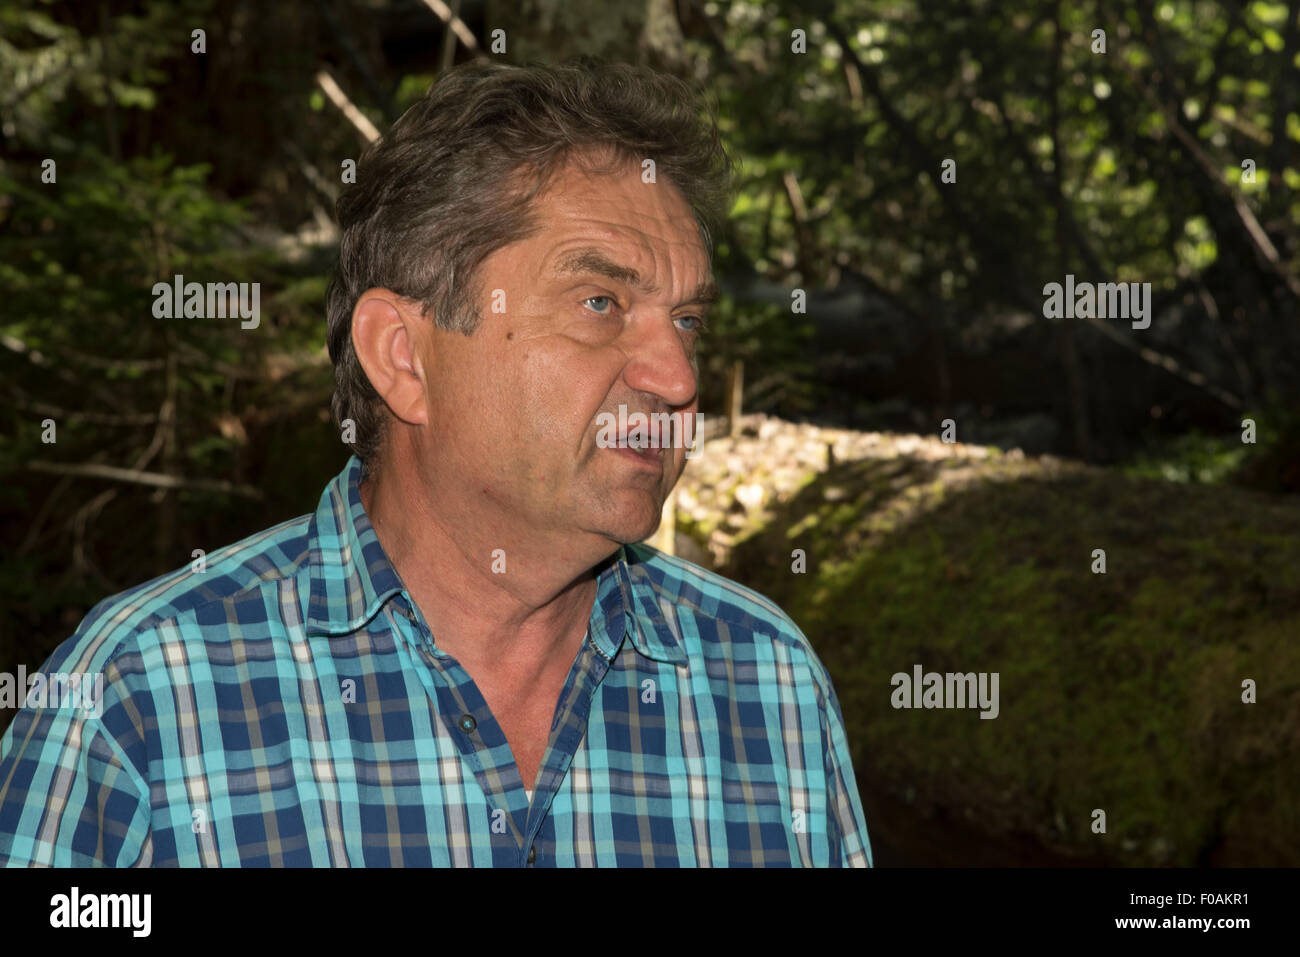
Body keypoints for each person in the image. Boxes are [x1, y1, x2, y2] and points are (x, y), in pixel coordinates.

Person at [0, 60, 872, 867]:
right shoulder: (136, 702)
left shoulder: (767, 686)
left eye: (686, 321)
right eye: (600, 301)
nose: (679, 379)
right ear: (405, 358)